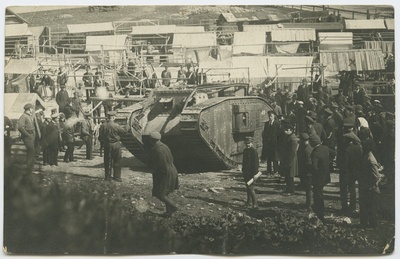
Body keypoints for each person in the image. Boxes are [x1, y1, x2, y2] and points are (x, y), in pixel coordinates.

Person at [149, 131, 179, 217]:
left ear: (152, 140)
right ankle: (168, 212)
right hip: (172, 169)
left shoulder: (158, 150)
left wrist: (160, 177)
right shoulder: (164, 146)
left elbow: (163, 166)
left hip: (166, 173)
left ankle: (173, 207)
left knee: (159, 193)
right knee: (165, 193)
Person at [311, 139, 336, 221]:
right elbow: (334, 153)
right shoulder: (325, 148)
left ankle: (319, 213)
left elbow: (314, 167)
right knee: (319, 193)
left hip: (317, 177)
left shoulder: (314, 152)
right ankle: (318, 211)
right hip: (325, 175)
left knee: (318, 194)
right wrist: (329, 161)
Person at [99, 111, 128, 181]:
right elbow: (124, 131)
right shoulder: (116, 125)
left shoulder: (103, 126)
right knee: (117, 160)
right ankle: (117, 177)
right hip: (116, 145)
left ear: (107, 117)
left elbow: (100, 137)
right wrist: (127, 125)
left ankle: (107, 177)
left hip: (107, 145)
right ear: (113, 117)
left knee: (107, 161)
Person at [359, 138, 381, 228]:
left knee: (369, 206)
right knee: (368, 206)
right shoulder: (368, 157)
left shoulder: (369, 159)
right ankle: (368, 223)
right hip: (368, 185)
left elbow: (376, 176)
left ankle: (370, 224)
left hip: (369, 186)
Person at [341, 133, 362, 215]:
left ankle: (345, 207)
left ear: (348, 141)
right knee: (352, 190)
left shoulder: (347, 150)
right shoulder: (358, 148)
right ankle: (353, 206)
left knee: (344, 190)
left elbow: (345, 164)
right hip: (355, 172)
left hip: (347, 173)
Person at [280, 121, 299, 195]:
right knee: (287, 175)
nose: (285, 131)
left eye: (286, 130)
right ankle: (288, 189)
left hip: (290, 160)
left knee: (290, 176)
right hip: (287, 159)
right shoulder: (288, 137)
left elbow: (292, 152)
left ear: (290, 130)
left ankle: (291, 190)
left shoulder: (293, 139)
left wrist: (289, 162)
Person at [242, 136, 259, 210]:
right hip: (246, 172)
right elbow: (244, 161)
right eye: (246, 143)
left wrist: (255, 174)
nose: (248, 145)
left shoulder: (254, 151)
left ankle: (255, 204)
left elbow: (256, 164)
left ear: (252, 143)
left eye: (249, 143)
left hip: (252, 173)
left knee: (251, 188)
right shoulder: (245, 150)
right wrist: (243, 170)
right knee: (248, 187)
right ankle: (248, 202)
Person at [18, 103, 36, 170]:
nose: (32, 109)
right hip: (27, 136)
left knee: (31, 151)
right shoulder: (23, 116)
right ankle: (29, 167)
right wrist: (27, 135)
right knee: (31, 151)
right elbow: (20, 128)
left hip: (31, 135)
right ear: (29, 109)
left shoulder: (28, 116)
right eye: (31, 108)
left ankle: (30, 165)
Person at [261, 111, 279, 175]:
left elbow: (278, 134)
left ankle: (275, 170)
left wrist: (277, 142)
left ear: (274, 116)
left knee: (275, 158)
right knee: (268, 158)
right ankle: (269, 171)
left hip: (274, 144)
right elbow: (265, 133)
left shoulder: (277, 124)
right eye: (269, 116)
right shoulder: (266, 124)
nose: (270, 117)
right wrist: (265, 141)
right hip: (268, 144)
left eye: (271, 116)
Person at [298, 133, 313, 211]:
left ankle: (308, 206)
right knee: (307, 189)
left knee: (308, 189)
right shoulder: (306, 147)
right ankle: (308, 204)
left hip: (307, 172)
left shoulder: (306, 150)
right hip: (306, 172)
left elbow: (309, 163)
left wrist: (307, 172)